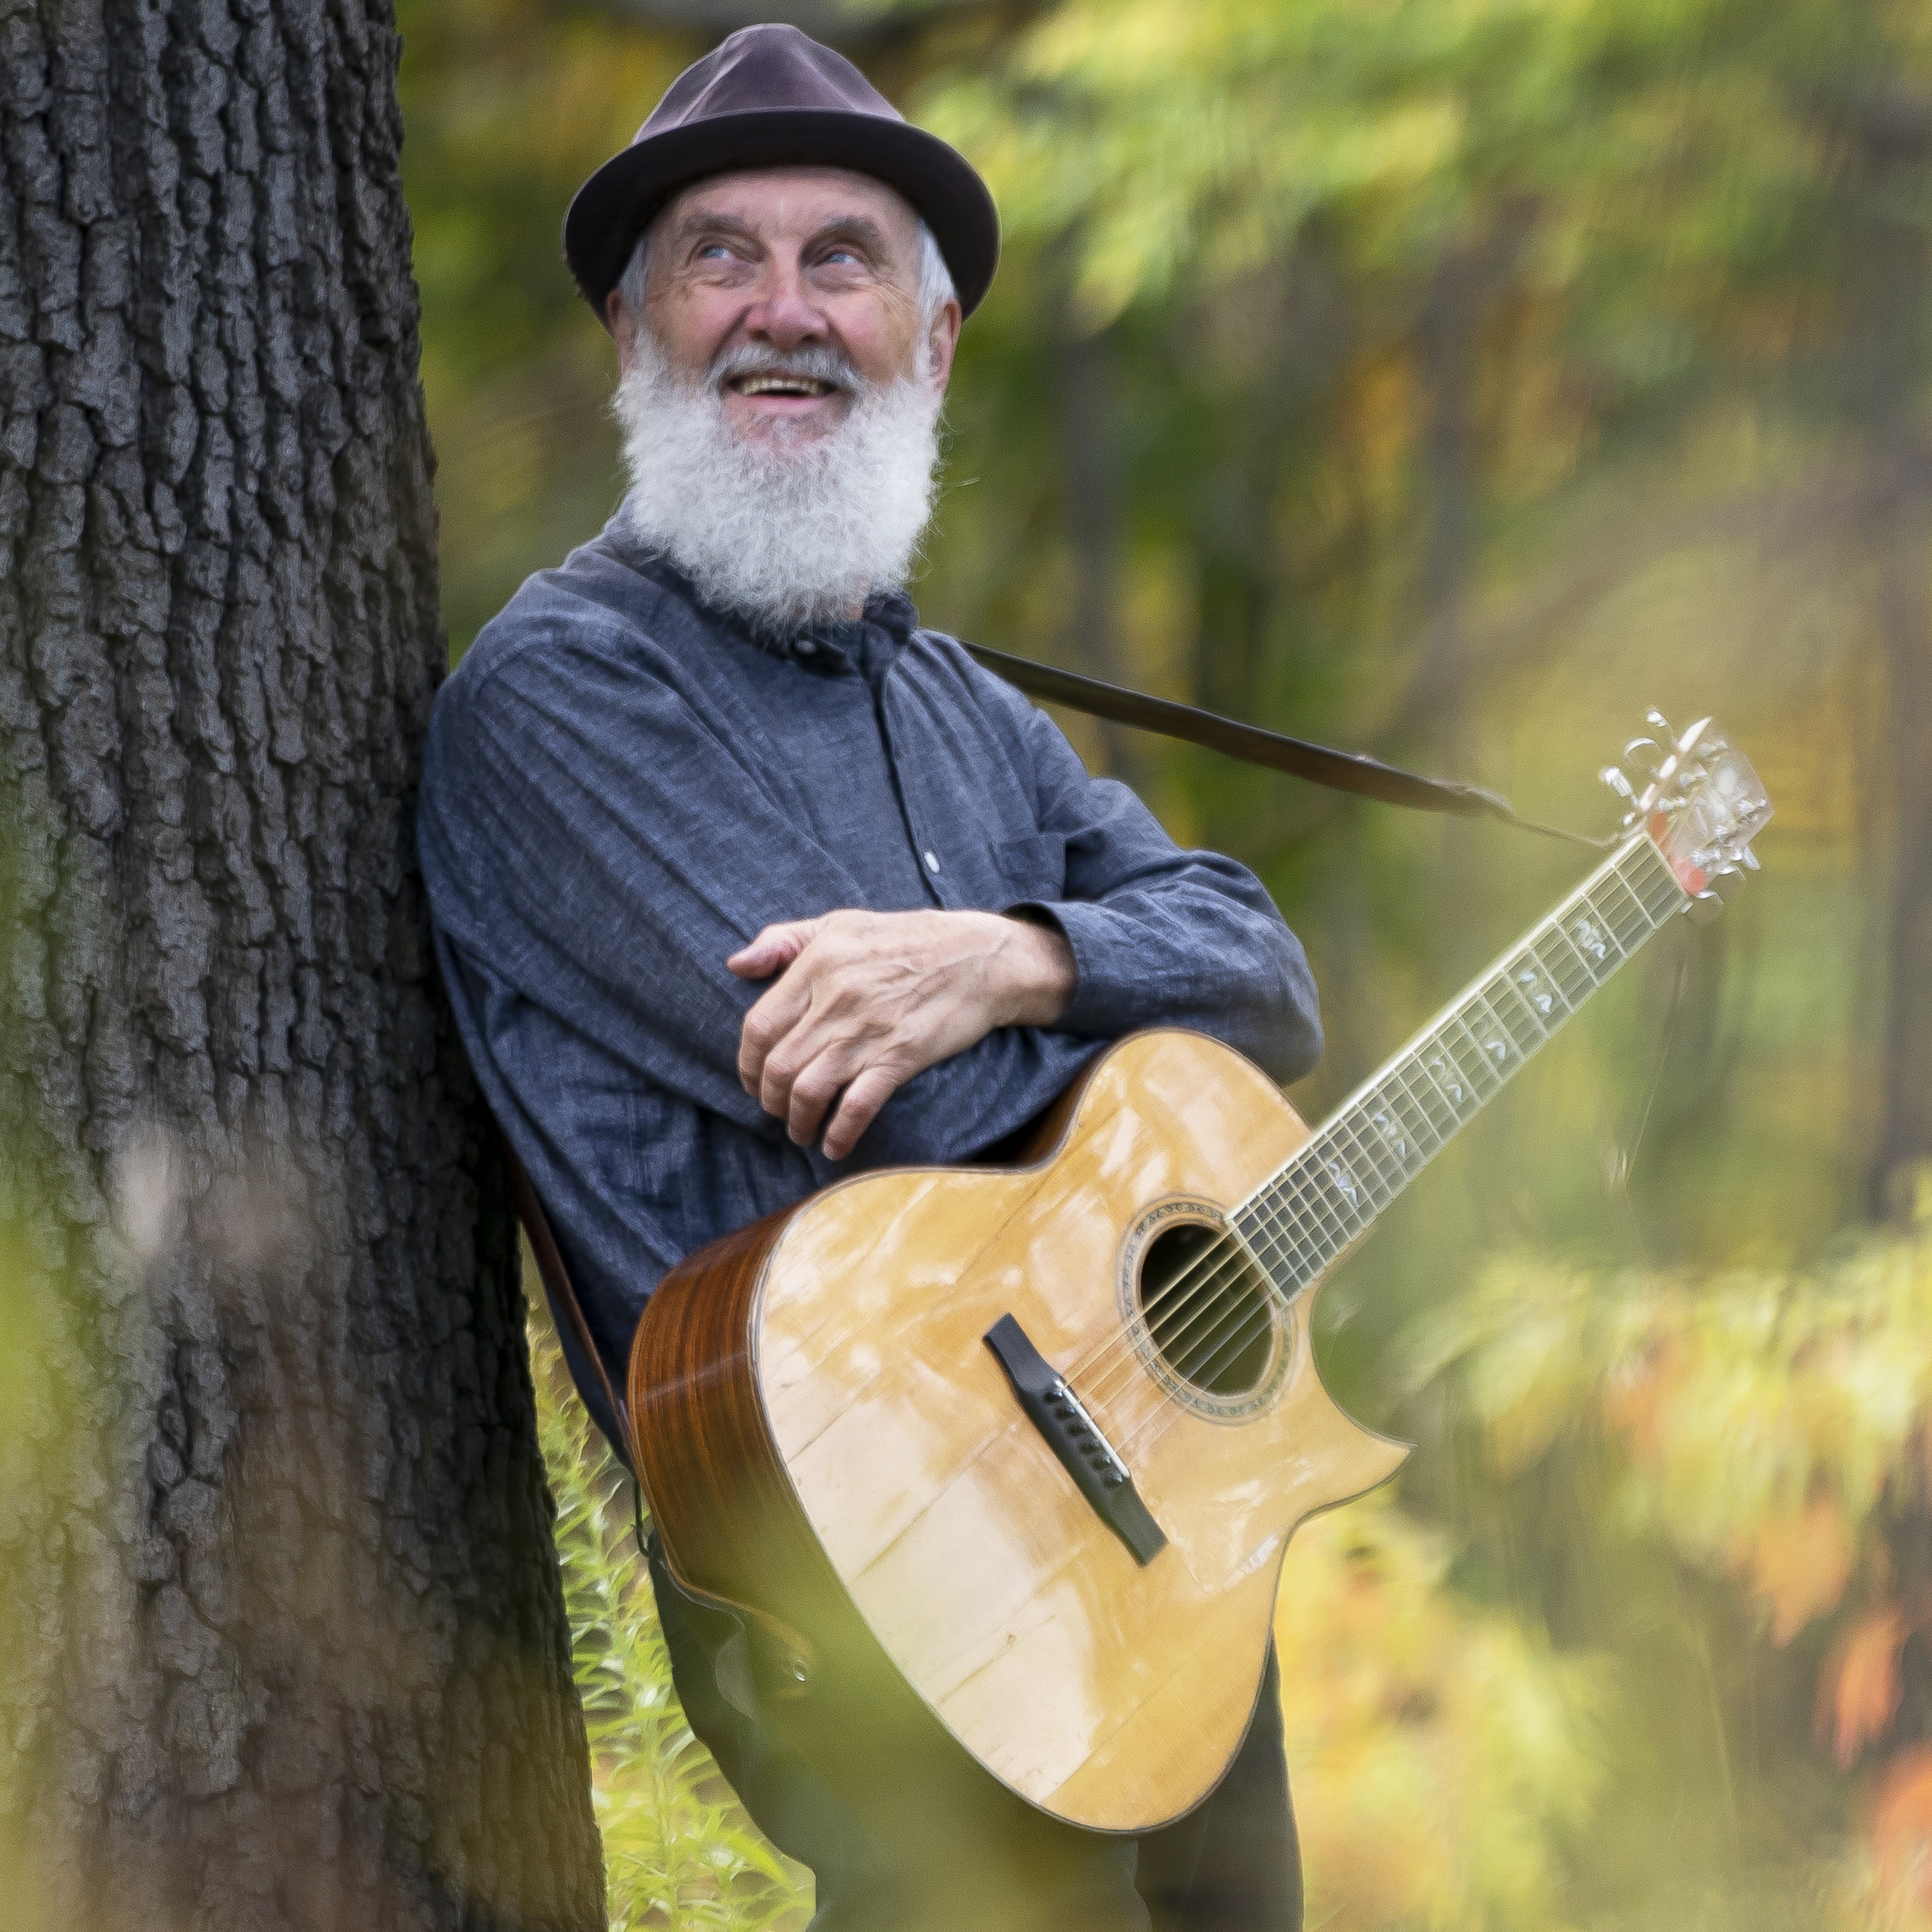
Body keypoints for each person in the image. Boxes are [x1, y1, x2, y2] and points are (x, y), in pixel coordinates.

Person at [417, 24, 1323, 1932]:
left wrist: (1015, 954)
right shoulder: (562, 697)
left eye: (842, 259)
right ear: (631, 330)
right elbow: (926, 1129)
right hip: (871, 1571)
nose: (784, 312)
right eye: (719, 258)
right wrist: (1084, 1038)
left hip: (1134, 1515)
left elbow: (1262, 983)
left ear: (935, 338)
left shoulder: (965, 706)